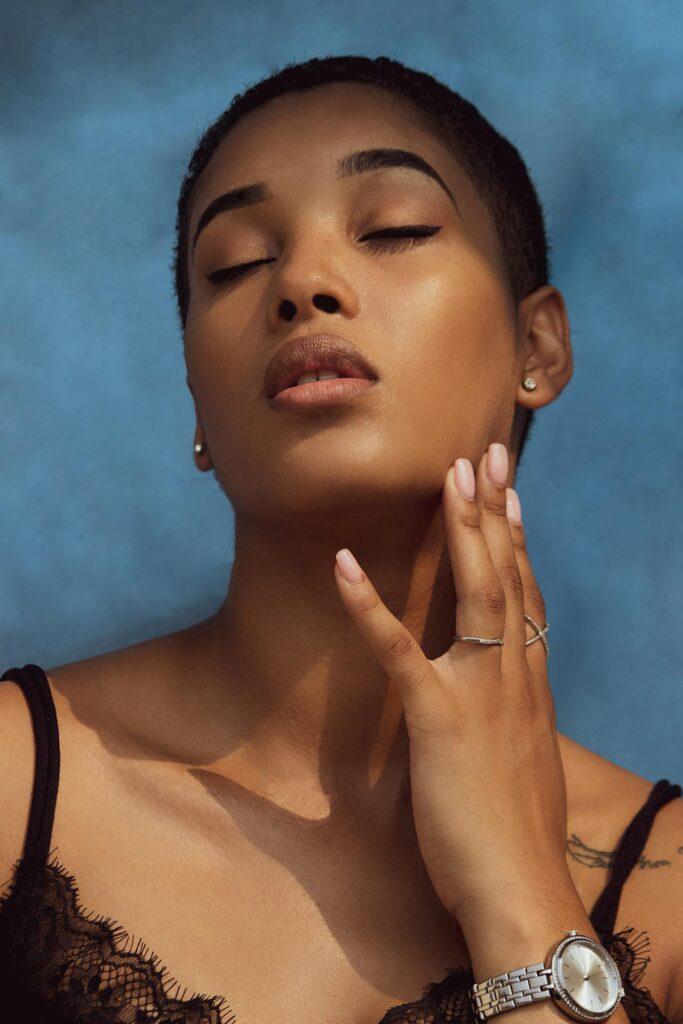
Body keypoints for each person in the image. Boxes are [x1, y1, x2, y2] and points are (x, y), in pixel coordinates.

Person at [0, 54, 680, 1024]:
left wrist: (519, 890)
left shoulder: (663, 884)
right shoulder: (17, 783)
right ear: (196, 395)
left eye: (393, 229)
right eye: (234, 261)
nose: (303, 283)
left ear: (538, 347)